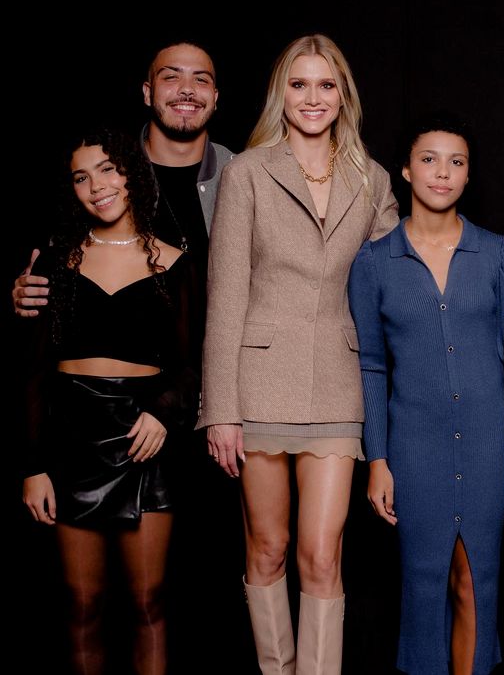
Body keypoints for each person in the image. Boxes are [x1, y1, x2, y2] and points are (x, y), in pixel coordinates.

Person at [197, 34, 398, 674]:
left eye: (326, 85)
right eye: (299, 84)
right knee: (268, 548)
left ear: (343, 96)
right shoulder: (246, 173)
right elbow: (226, 295)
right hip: (257, 385)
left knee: (321, 554)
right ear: (280, 94)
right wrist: (220, 410)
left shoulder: (371, 179)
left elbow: (402, 277)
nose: (313, 97)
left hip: (338, 383)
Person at [21, 128, 202, 674]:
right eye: (81, 177)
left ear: (131, 174)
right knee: (83, 605)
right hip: (70, 440)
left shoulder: (176, 261)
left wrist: (164, 412)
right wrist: (34, 466)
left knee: (148, 603)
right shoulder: (54, 262)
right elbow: (33, 372)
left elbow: (194, 362)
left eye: (107, 169)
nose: (97, 186)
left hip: (144, 441)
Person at [349, 113, 504, 674]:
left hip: (488, 445)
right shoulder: (374, 262)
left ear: (468, 175)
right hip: (414, 449)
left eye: (456, 162)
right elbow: (372, 366)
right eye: (429, 159)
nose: (442, 173)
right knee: (424, 586)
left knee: (475, 581)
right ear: (405, 170)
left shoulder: (497, 254)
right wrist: (378, 459)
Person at [12, 40, 234, 315]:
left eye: (201, 79)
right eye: (171, 77)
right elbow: (63, 263)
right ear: (147, 93)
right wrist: (30, 290)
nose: (187, 89)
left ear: (215, 97)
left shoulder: (245, 175)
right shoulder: (106, 175)